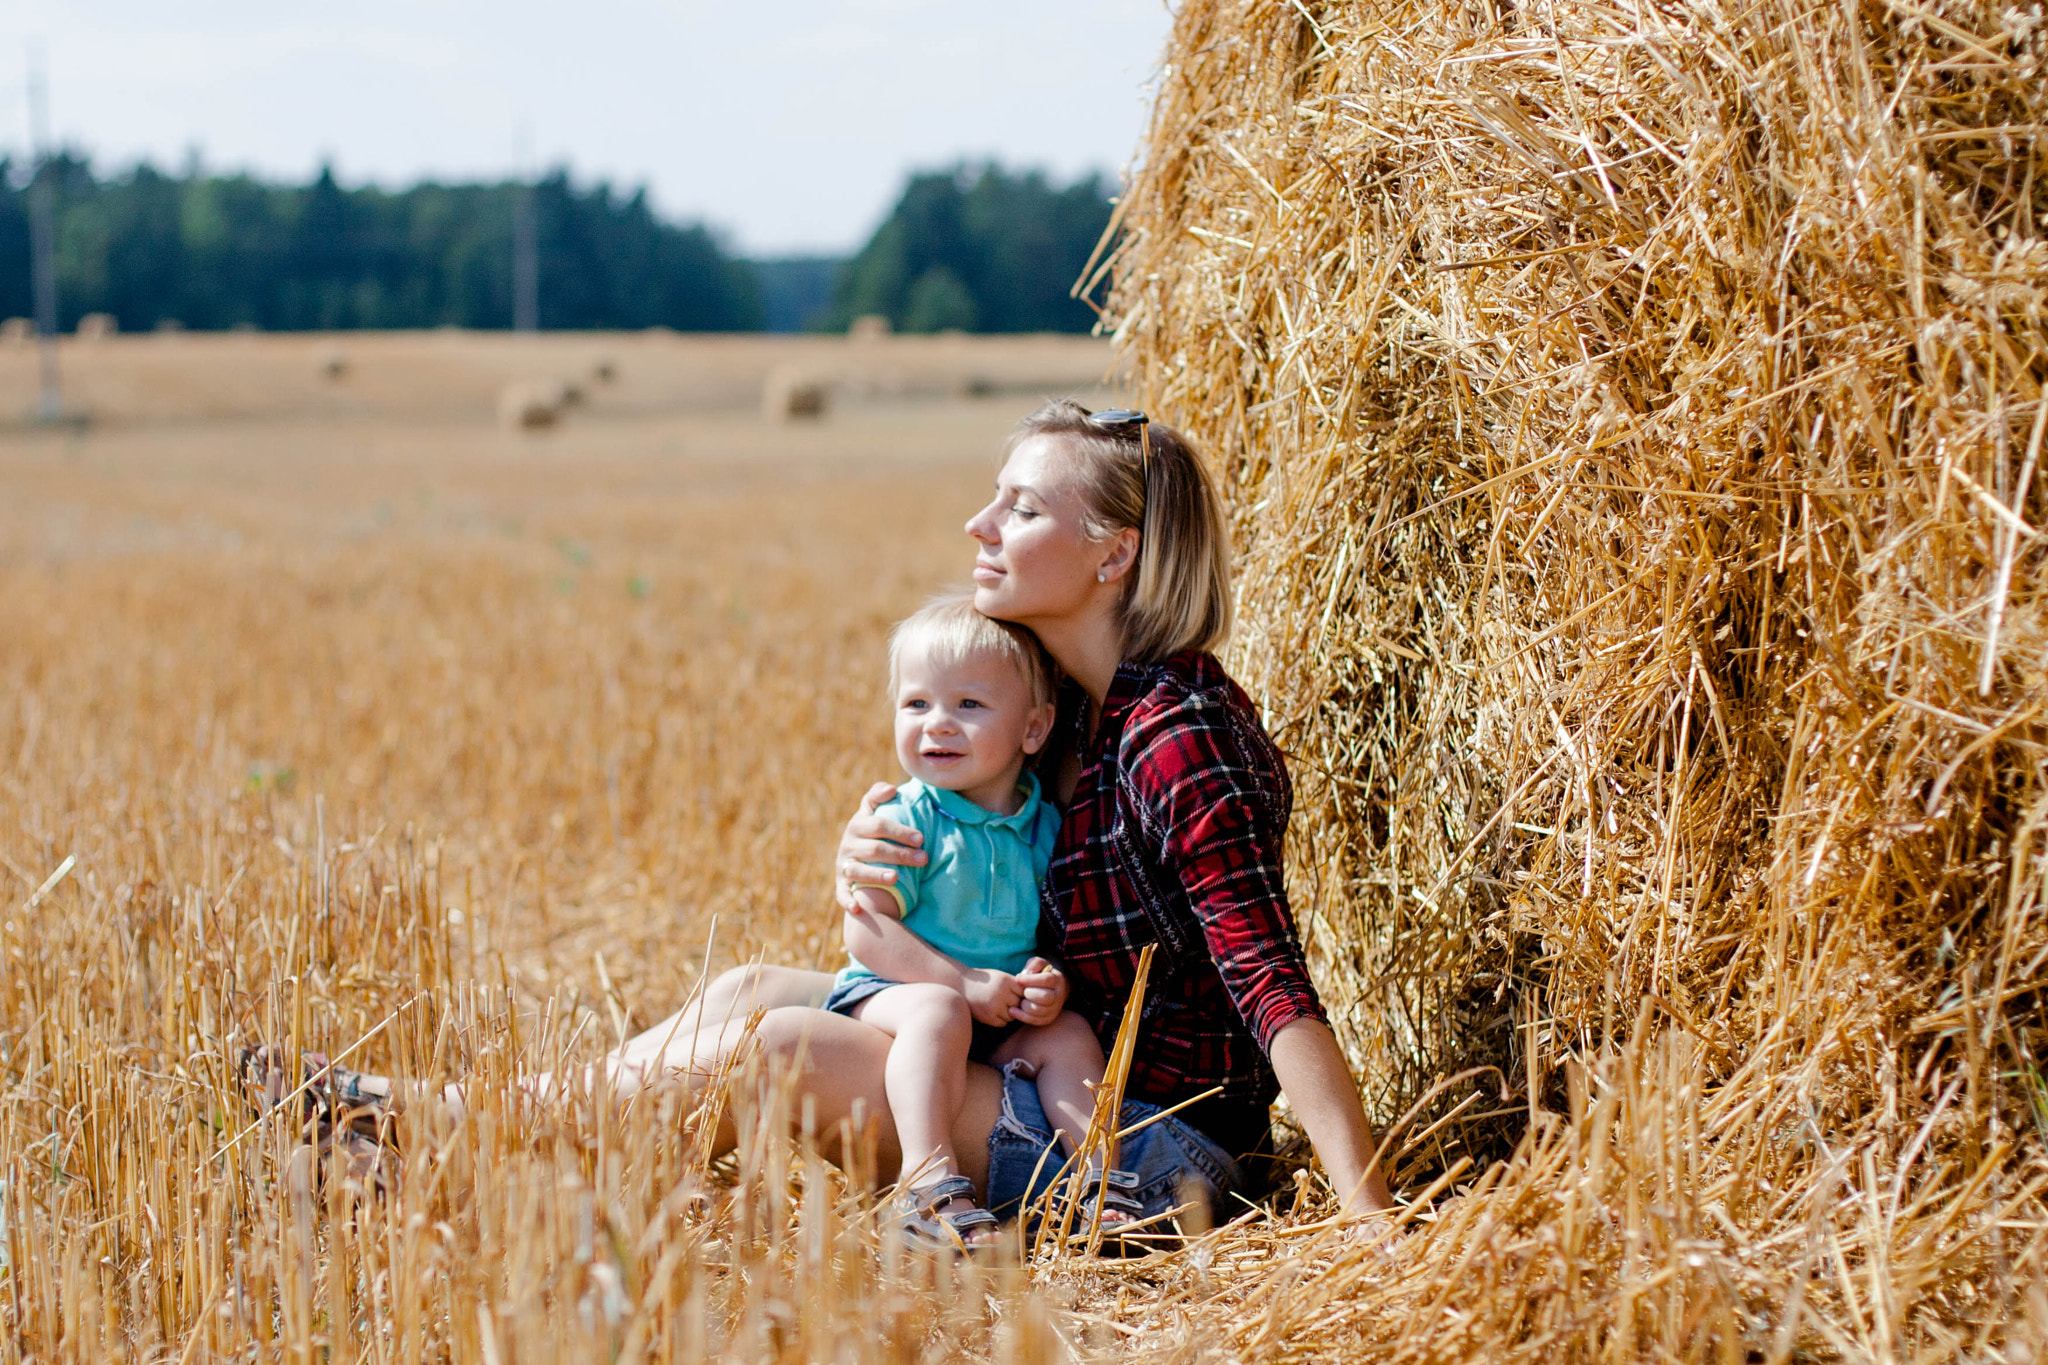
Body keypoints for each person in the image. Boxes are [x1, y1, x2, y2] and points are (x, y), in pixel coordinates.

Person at [245, 401, 1396, 1235]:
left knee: (785, 1054)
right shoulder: (1080, 716)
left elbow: (1266, 980)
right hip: (1039, 1062)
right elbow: (991, 877)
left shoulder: (1171, 733)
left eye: (1019, 506)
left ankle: (429, 1139)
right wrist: (880, 851)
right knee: (751, 989)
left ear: (1114, 557)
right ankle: (441, 1132)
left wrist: (1365, 1214)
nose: (976, 524)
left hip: (1148, 1143)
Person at [819, 591, 1131, 1248]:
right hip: (893, 1001)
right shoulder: (910, 820)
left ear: (1034, 729)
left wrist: (1051, 982)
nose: (936, 723)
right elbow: (864, 930)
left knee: (1069, 1034)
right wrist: (961, 985)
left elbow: (1055, 937)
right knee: (939, 1010)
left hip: (995, 1014)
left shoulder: (1044, 827)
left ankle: (1099, 1184)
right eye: (916, 703)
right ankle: (926, 1183)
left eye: (968, 704)